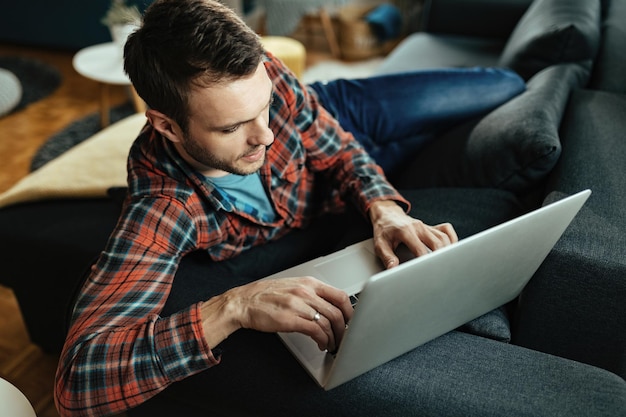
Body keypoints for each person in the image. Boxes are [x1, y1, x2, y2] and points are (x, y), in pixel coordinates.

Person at [54, 1, 525, 416]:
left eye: (264, 106)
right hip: (309, 150)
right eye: (233, 126)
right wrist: (232, 306)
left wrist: (386, 209)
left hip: (332, 108)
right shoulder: (162, 209)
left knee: (500, 87)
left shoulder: (265, 84)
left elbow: (339, 151)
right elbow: (77, 385)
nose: (266, 135)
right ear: (168, 127)